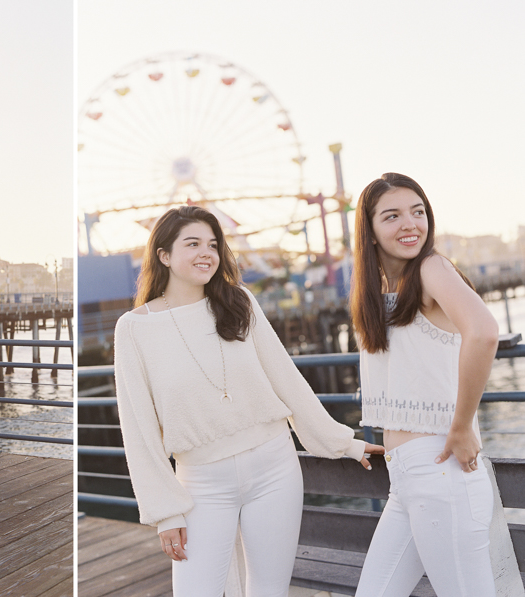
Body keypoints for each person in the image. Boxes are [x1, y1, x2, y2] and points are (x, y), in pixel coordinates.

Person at [114, 205, 382, 596]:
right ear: (164, 255)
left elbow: (286, 380)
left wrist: (342, 442)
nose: (207, 252)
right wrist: (165, 512)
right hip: (201, 484)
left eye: (213, 244)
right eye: (193, 243)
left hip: (274, 467)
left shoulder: (239, 302)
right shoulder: (134, 329)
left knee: (269, 591)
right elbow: (137, 428)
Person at [351, 173, 518, 596]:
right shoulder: (384, 290)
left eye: (418, 212)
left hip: (441, 467)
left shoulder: (431, 268)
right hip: (405, 476)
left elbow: (483, 333)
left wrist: (462, 426)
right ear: (369, 231)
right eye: (392, 216)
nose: (410, 224)